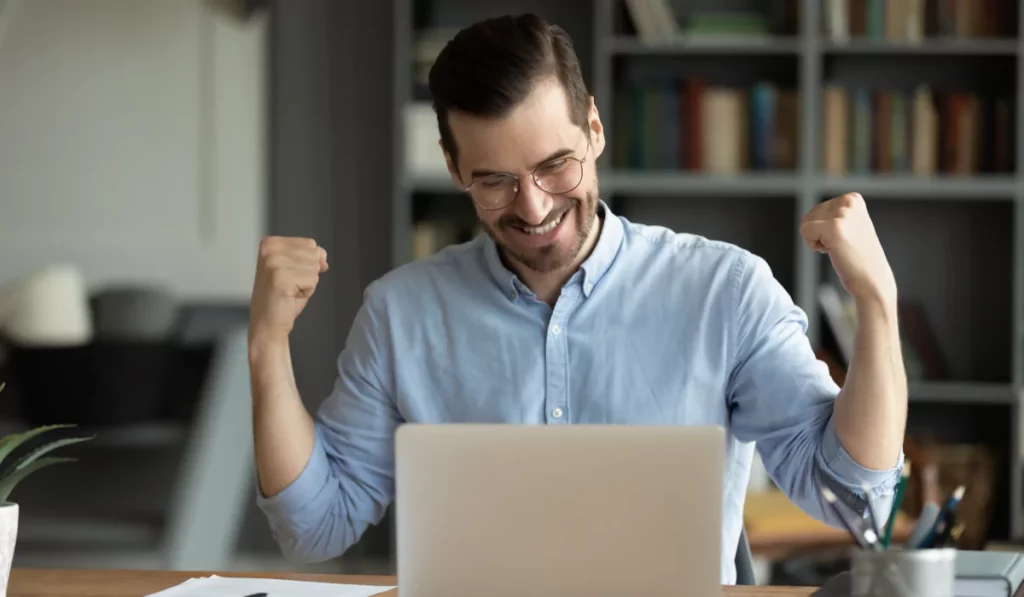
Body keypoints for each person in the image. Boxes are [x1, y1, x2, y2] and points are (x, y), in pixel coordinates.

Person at [248, 13, 907, 583]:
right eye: (495, 181)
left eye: (554, 165)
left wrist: (877, 305)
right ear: (453, 169)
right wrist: (267, 346)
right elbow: (315, 528)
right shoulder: (399, 313)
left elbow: (856, 501)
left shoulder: (725, 292)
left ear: (593, 127)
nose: (533, 207)